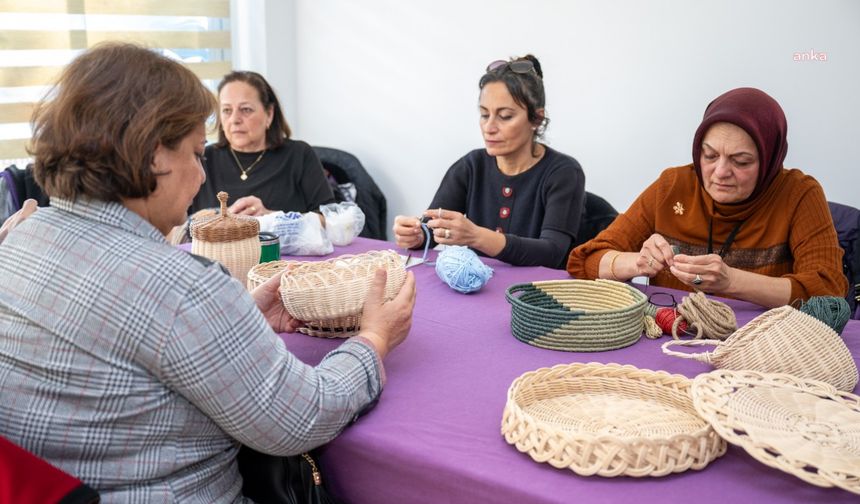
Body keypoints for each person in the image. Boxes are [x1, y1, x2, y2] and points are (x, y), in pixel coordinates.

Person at [0, 42, 416, 502]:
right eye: (197, 154)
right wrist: (374, 340)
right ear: (156, 154)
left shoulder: (18, 241)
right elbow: (301, 420)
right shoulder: (183, 287)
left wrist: (237, 319)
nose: (202, 177)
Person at [567, 87, 847, 308]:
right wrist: (636, 263)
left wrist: (732, 282)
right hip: (673, 339)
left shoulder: (798, 195)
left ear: (770, 160)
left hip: (763, 350)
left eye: (741, 161)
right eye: (710, 155)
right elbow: (586, 260)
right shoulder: (673, 187)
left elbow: (829, 291)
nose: (721, 172)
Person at [392, 55, 585, 269]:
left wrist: (476, 236)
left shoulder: (563, 173)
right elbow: (431, 230)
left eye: (505, 116)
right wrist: (416, 236)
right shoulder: (471, 166)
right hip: (480, 291)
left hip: (535, 296)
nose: (489, 127)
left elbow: (552, 253)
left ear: (536, 119)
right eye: (484, 115)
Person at [190, 70, 335, 217]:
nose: (234, 119)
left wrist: (272, 218)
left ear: (269, 114)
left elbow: (331, 220)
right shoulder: (202, 158)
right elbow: (176, 227)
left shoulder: (299, 154)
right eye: (227, 110)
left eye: (246, 110)